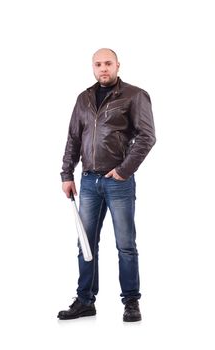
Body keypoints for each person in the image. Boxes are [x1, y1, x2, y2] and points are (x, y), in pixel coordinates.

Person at [57, 48, 157, 322]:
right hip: (88, 181)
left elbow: (147, 136)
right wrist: (67, 174)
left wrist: (124, 171)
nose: (104, 68)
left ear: (117, 65)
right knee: (86, 244)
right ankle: (85, 300)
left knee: (125, 244)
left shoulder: (134, 95)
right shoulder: (84, 98)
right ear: (93, 67)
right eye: (99, 64)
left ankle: (131, 301)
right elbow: (73, 139)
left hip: (118, 183)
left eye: (108, 64)